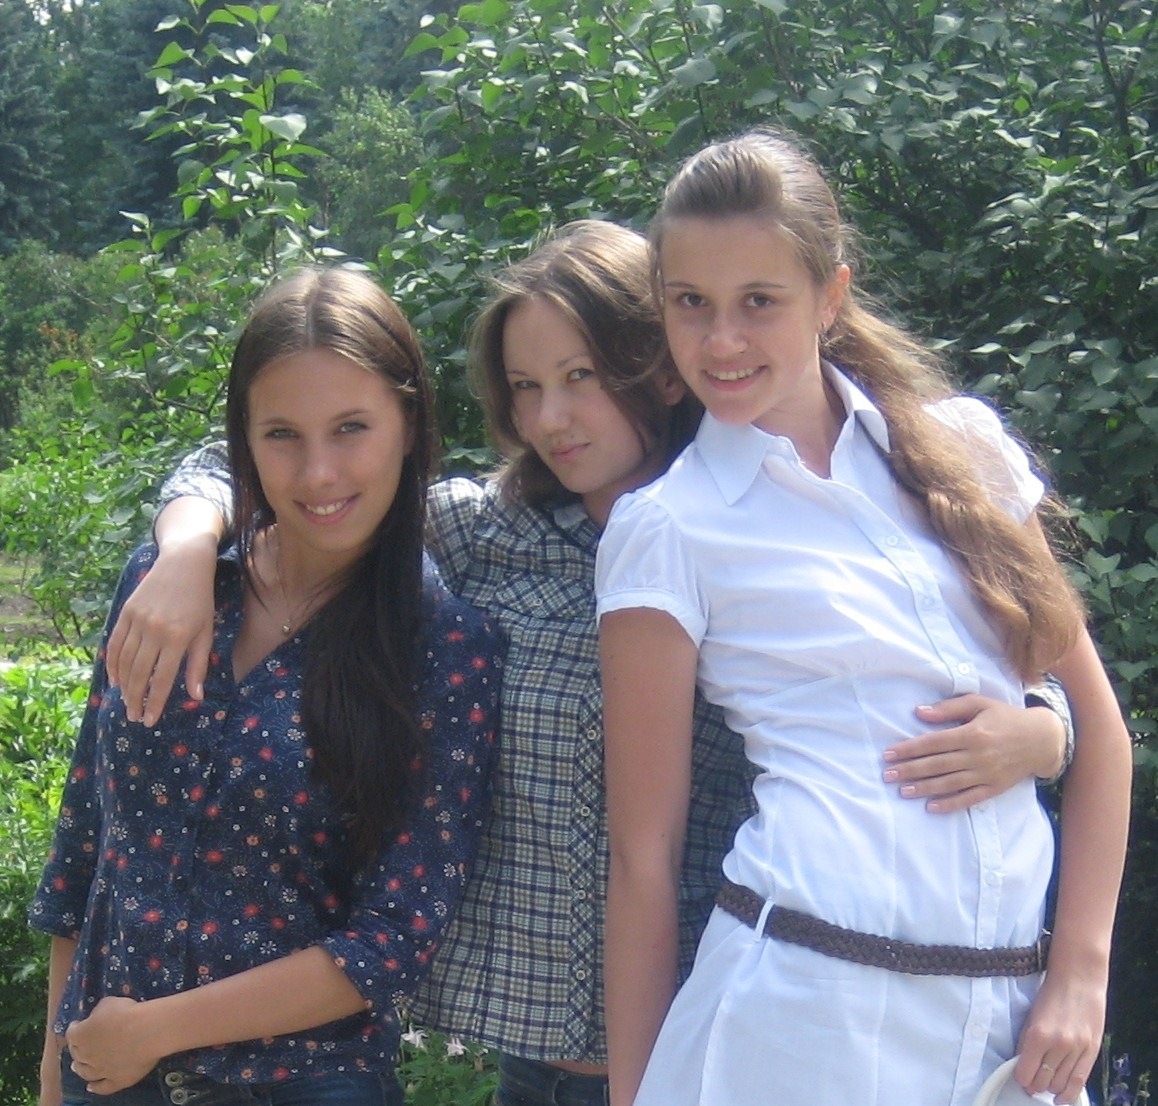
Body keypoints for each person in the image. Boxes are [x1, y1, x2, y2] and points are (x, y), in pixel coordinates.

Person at [101, 223, 1073, 1106]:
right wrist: (187, 546)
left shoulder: (746, 530)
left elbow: (897, 679)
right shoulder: (486, 535)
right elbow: (289, 467)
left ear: (656, 369)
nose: (550, 417)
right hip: (533, 1065)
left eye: (580, 376)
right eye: (525, 386)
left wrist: (1046, 726)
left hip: (720, 1037)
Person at [595, 129, 1132, 1106]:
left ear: (830, 296)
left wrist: (1081, 976)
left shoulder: (964, 449)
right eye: (690, 303)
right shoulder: (668, 524)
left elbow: (1102, 737)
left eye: (759, 301)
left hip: (1014, 1033)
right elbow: (642, 860)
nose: (721, 340)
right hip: (799, 1021)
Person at [29, 268, 501, 1106]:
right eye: (282, 434)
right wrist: (56, 1053)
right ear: (243, 440)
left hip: (301, 1083)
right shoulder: (167, 587)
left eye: (351, 428)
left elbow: (394, 937)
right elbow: (89, 833)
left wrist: (157, 1030)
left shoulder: (442, 648)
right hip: (107, 1069)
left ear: (407, 426)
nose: (318, 472)